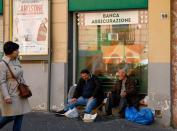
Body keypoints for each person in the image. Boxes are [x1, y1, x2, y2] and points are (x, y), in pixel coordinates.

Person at [0, 41, 31, 131]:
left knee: (20, 114)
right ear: (10, 52)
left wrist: (26, 87)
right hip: (10, 93)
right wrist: (6, 96)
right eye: (16, 50)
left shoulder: (16, 60)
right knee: (10, 116)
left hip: (20, 91)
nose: (18, 52)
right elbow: (2, 82)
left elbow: (20, 75)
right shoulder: (3, 64)